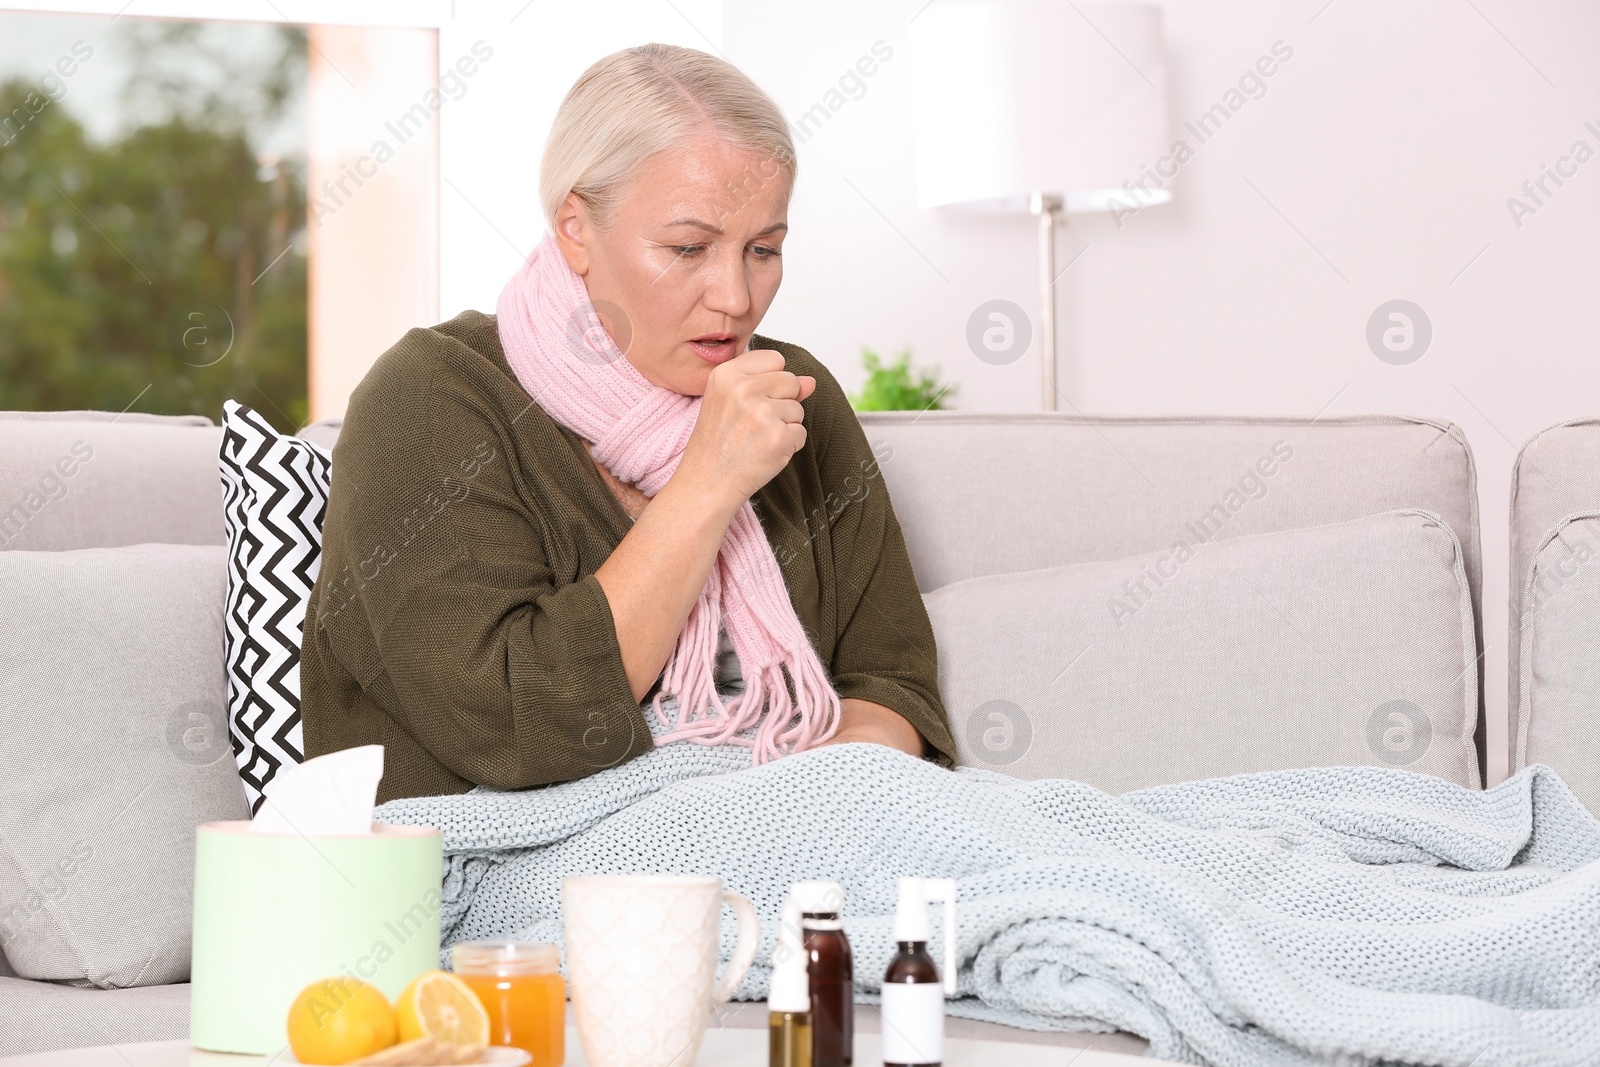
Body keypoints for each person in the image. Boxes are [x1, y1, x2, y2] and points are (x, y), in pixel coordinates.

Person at [300, 43, 955, 803]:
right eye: (688, 247)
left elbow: (896, 685)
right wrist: (707, 483)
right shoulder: (430, 396)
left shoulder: (793, 396)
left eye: (764, 250)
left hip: (803, 822)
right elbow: (508, 725)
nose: (737, 297)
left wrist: (802, 799)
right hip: (506, 860)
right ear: (576, 226)